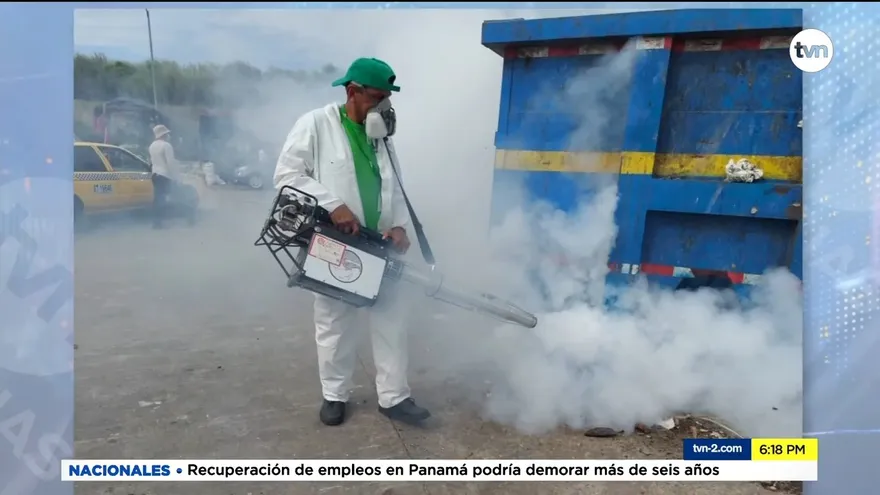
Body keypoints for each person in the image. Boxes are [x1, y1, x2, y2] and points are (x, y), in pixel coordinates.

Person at [273, 57, 431, 427]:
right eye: (377, 98)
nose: (384, 107)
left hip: (379, 243)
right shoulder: (315, 124)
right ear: (352, 91)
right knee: (334, 319)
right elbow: (286, 176)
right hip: (335, 241)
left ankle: (394, 397)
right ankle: (334, 395)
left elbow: (392, 185)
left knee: (391, 317)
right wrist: (333, 205)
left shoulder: (381, 135)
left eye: (387, 100)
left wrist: (400, 226)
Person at [148, 124, 190, 228]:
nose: (168, 136)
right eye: (167, 134)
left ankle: (156, 222)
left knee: (158, 199)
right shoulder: (166, 146)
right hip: (165, 175)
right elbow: (170, 163)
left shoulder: (152, 146)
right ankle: (189, 218)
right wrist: (177, 178)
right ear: (164, 134)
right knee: (179, 196)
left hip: (155, 175)